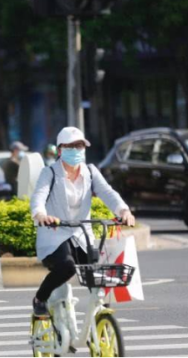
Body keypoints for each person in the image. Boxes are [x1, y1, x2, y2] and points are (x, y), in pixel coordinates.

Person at [30, 127, 135, 317]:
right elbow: (38, 198)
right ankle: (40, 298)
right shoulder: (50, 173)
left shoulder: (90, 172)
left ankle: (98, 314)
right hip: (54, 234)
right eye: (70, 146)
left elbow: (107, 193)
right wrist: (41, 215)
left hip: (81, 233)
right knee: (67, 266)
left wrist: (124, 210)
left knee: (96, 270)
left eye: (79, 146)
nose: (76, 150)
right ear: (60, 150)